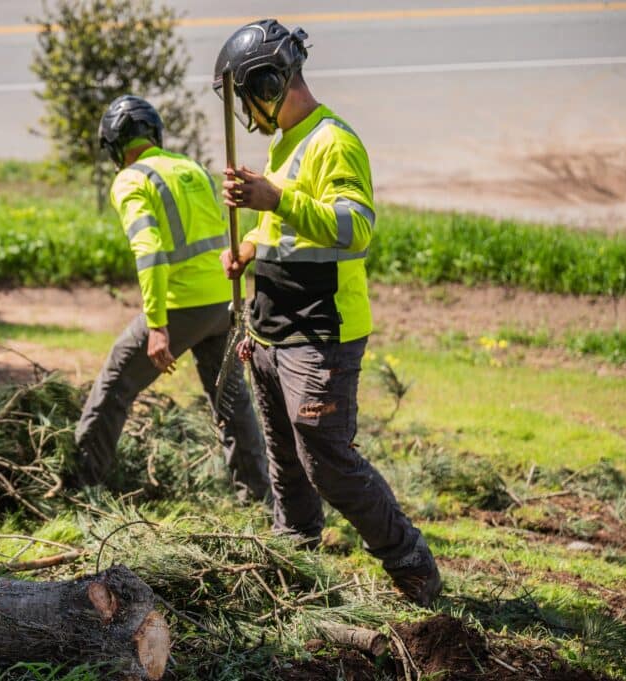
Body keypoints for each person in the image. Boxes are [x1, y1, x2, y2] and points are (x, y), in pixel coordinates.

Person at [212, 19, 442, 605]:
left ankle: (411, 564)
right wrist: (247, 249)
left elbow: (355, 228)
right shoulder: (284, 143)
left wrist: (275, 197)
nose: (244, 112)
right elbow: (282, 232)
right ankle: (296, 563)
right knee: (286, 460)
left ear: (266, 84)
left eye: (244, 96)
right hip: (271, 331)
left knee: (328, 462)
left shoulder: (332, 141)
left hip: (320, 331)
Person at [74, 95, 270, 502]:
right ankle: (256, 497)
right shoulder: (191, 168)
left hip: (182, 306)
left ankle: (80, 490)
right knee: (231, 401)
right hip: (225, 301)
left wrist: (158, 325)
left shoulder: (131, 179)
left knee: (114, 386)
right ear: (155, 133)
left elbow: (149, 250)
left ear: (114, 147)